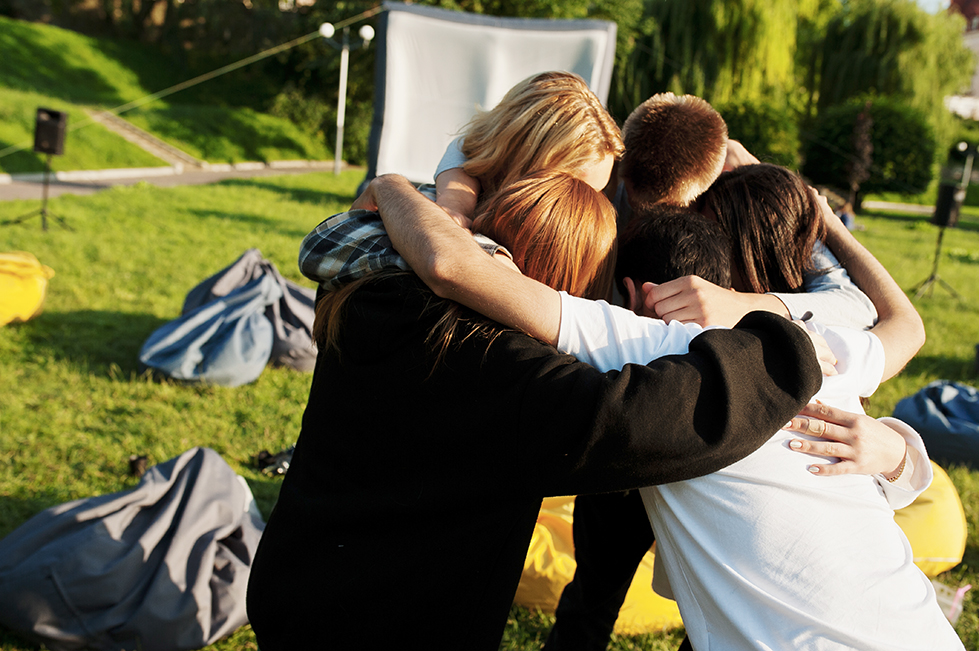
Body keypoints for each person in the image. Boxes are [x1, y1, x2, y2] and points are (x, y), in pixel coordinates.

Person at [362, 167, 955, 649]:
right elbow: (906, 324)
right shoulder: (817, 350)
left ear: (632, 295)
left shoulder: (654, 345)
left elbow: (452, 266)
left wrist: (391, 185)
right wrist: (823, 218)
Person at [246, 171, 822, 651]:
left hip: (293, 584)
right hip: (394, 629)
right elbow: (640, 421)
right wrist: (781, 348)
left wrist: (396, 188)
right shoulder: (513, 380)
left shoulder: (373, 290)